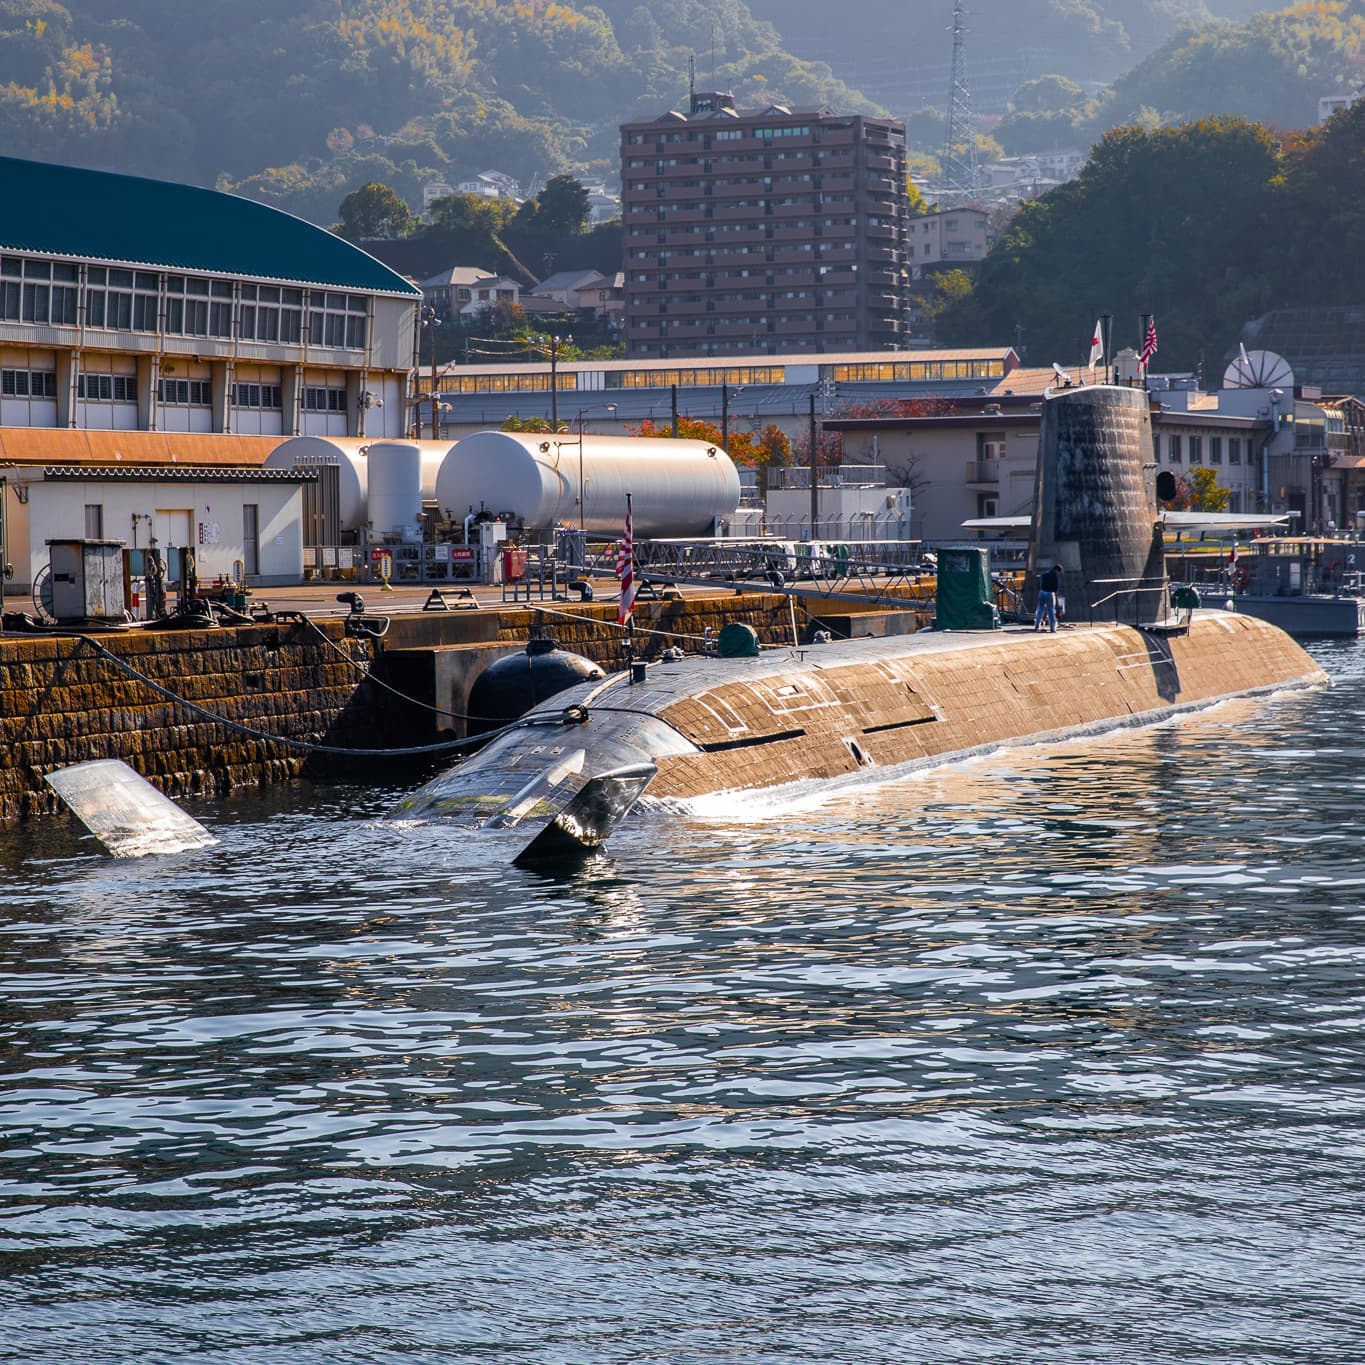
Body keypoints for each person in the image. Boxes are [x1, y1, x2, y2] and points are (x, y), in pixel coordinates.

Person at [1034, 562, 1062, 633]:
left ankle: (1037, 625)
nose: (1059, 574)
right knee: (1051, 611)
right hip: (1050, 593)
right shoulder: (1054, 576)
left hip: (1042, 592)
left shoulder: (1044, 575)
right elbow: (1055, 589)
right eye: (1059, 572)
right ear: (1056, 570)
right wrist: (1056, 598)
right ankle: (1053, 628)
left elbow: (1039, 584)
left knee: (1040, 610)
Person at [144, 538, 166, 619]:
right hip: (152, 579)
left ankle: (157, 612)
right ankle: (154, 613)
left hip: (154, 579)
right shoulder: (148, 553)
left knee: (157, 591)